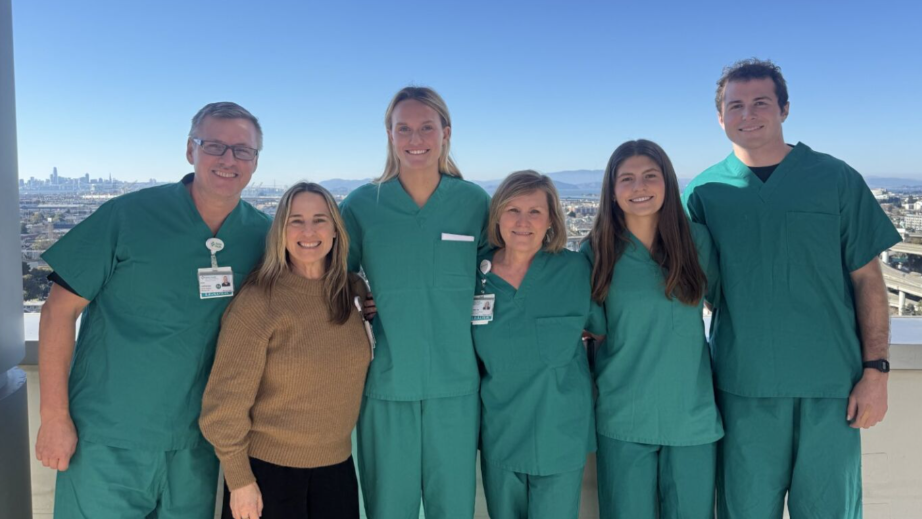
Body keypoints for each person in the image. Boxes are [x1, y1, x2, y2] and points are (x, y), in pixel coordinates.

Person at [683, 59, 901, 518]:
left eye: (760, 102)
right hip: (742, 387)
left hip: (832, 386)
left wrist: (876, 371)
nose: (747, 114)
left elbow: (868, 279)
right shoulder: (703, 193)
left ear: (784, 108)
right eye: (735, 106)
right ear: (720, 118)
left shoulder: (835, 178)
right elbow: (682, 284)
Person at [34, 102, 271, 518]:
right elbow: (58, 312)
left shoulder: (263, 235)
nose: (228, 159)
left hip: (199, 444)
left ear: (255, 161)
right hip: (107, 438)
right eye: (214, 145)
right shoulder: (127, 216)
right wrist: (54, 417)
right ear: (190, 150)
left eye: (242, 150)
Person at [339, 86, 491, 519]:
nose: (415, 138)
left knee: (453, 507)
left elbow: (499, 279)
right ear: (390, 135)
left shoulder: (474, 203)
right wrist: (360, 292)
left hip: (456, 385)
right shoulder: (363, 205)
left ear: (446, 133)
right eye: (403, 128)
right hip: (386, 382)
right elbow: (333, 276)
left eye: (426, 127)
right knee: (387, 507)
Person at [200, 182, 371, 519]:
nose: (308, 231)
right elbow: (224, 402)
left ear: (335, 230)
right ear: (280, 231)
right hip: (267, 474)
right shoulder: (259, 301)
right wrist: (239, 480)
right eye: (296, 221)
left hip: (337, 470)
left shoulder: (353, 291)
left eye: (319, 220)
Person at [581, 140, 723, 518]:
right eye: (626, 178)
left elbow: (724, 307)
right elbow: (591, 330)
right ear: (612, 190)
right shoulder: (596, 252)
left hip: (691, 415)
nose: (639, 187)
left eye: (649, 176)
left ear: (668, 182)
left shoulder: (697, 241)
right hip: (623, 415)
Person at [473, 170, 605, 519]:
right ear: (497, 215)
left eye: (535, 211)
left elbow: (602, 331)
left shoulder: (575, 270)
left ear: (551, 220)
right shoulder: (474, 275)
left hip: (559, 430)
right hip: (501, 430)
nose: (523, 222)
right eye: (512, 210)